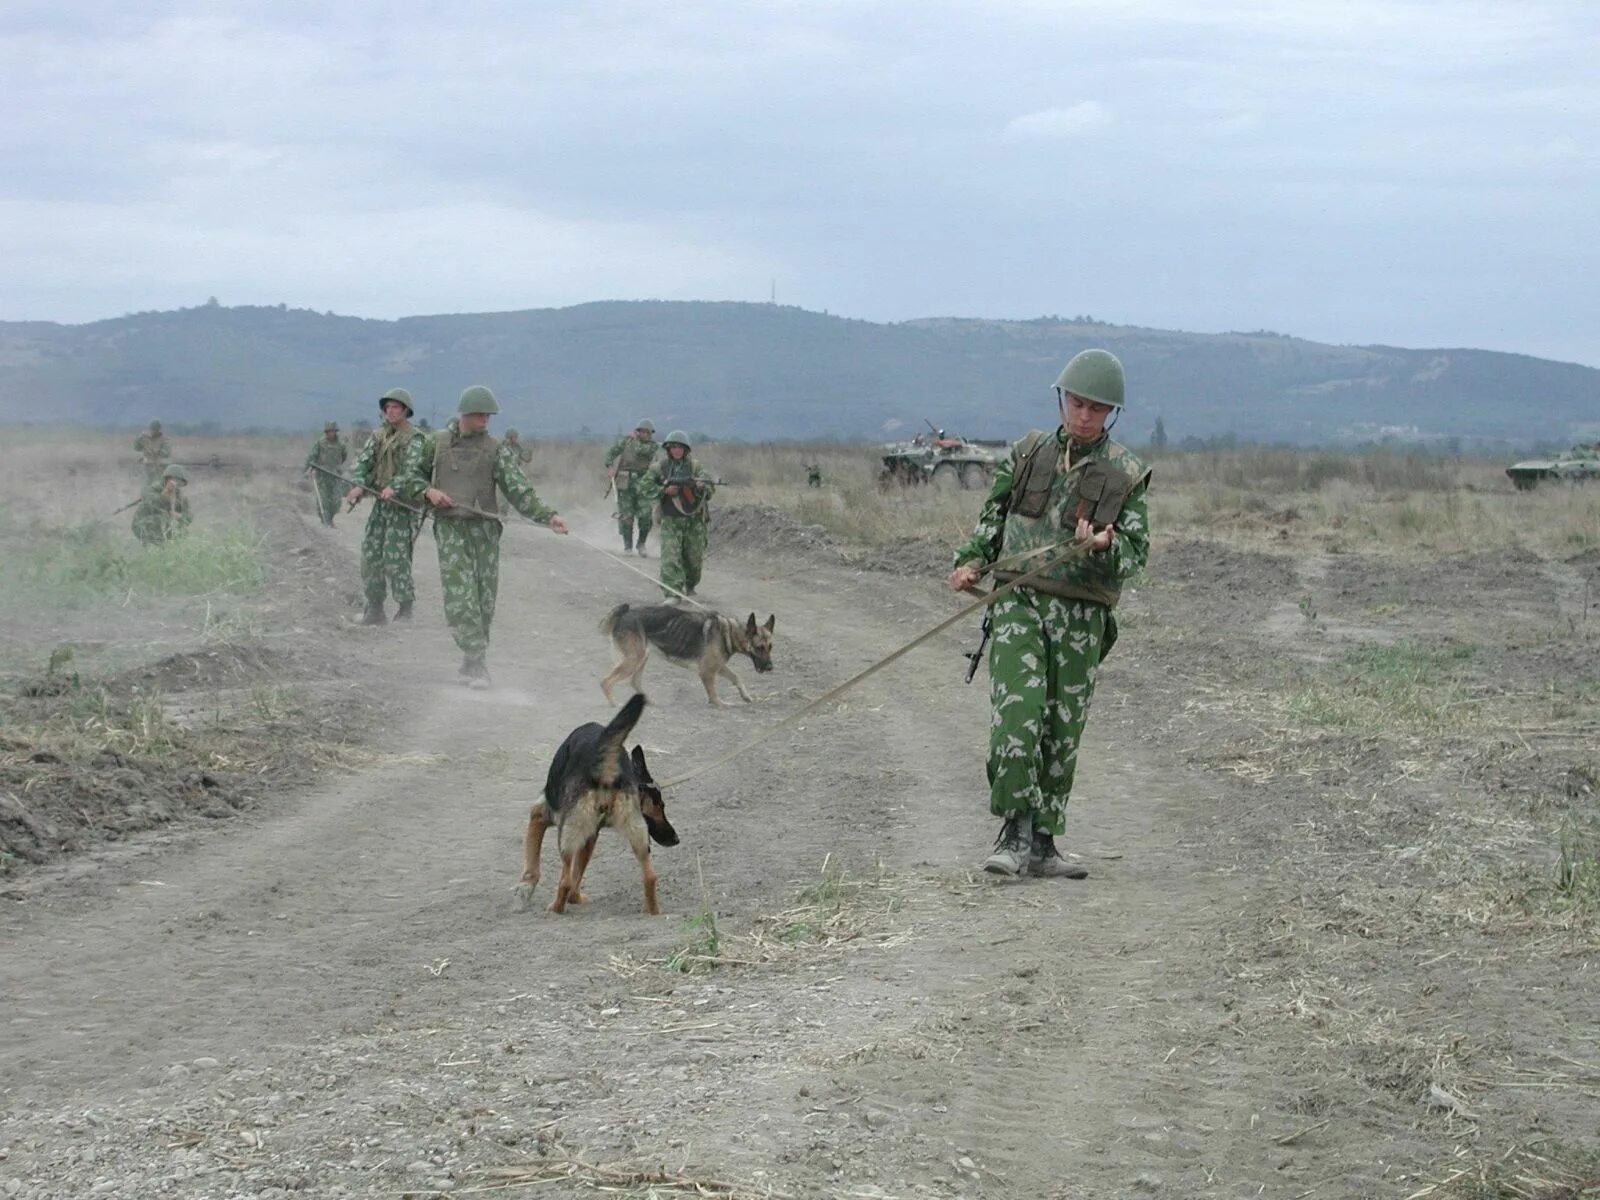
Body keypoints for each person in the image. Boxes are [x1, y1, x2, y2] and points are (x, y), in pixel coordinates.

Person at [946, 349, 1151, 879]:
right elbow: (992, 518)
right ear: (1062, 400)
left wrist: (1105, 547)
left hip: (1082, 620)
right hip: (1018, 602)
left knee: (1062, 730)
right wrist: (971, 562)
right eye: (1077, 404)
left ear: (1111, 414)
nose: (1084, 416)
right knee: (1018, 715)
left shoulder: (1127, 474)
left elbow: (1136, 555)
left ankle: (1043, 842)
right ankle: (1012, 832)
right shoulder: (1027, 452)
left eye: (1097, 409)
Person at [395, 385, 569, 687]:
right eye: (479, 414)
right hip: (451, 528)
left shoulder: (494, 449)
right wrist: (429, 492)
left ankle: (472, 661)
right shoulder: (434, 444)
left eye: (488, 415)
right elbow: (408, 477)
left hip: (485, 531)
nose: (485, 420)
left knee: (483, 600)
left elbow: (518, 489)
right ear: (465, 413)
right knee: (460, 596)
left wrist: (548, 516)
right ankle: (476, 661)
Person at [345, 388, 423, 625]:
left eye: (395, 407)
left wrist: (395, 486)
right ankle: (375, 609)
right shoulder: (379, 435)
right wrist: (359, 484)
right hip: (381, 504)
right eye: (387, 407)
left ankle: (405, 608)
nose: (390, 411)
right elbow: (364, 463)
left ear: (406, 410)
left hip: (403, 505)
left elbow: (413, 470)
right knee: (370, 555)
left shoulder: (415, 438)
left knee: (396, 556)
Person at [644, 430, 715, 600]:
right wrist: (663, 490)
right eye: (672, 447)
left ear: (686, 449)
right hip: (671, 519)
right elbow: (644, 487)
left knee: (694, 560)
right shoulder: (659, 468)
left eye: (680, 447)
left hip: (694, 521)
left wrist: (701, 487)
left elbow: (710, 489)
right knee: (670, 557)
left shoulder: (695, 467)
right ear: (668, 449)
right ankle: (672, 592)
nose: (676, 450)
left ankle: (690, 585)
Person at [604, 419, 660, 556]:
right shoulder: (626, 441)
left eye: (648, 433)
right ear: (638, 431)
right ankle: (627, 546)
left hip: (643, 484)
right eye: (643, 432)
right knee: (626, 516)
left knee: (646, 515)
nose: (646, 435)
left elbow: (640, 449)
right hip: (625, 483)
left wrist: (632, 439)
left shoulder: (652, 446)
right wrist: (610, 466)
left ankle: (641, 543)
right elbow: (611, 452)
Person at [132, 465, 193, 545]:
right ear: (166, 479)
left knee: (181, 529)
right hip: (143, 525)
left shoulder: (180, 497)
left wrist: (179, 516)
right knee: (158, 520)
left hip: (164, 529)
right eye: (173, 480)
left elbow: (189, 516)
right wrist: (165, 494)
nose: (175, 484)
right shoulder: (152, 489)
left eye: (179, 483)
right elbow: (152, 504)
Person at [303, 421, 349, 526]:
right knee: (323, 499)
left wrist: (336, 467)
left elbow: (343, 457)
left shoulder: (340, 445)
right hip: (322, 475)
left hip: (335, 475)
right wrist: (309, 469)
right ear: (326, 432)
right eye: (328, 431)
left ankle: (331, 519)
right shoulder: (320, 443)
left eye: (332, 431)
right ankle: (325, 520)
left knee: (336, 500)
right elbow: (312, 457)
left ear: (335, 432)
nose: (330, 433)